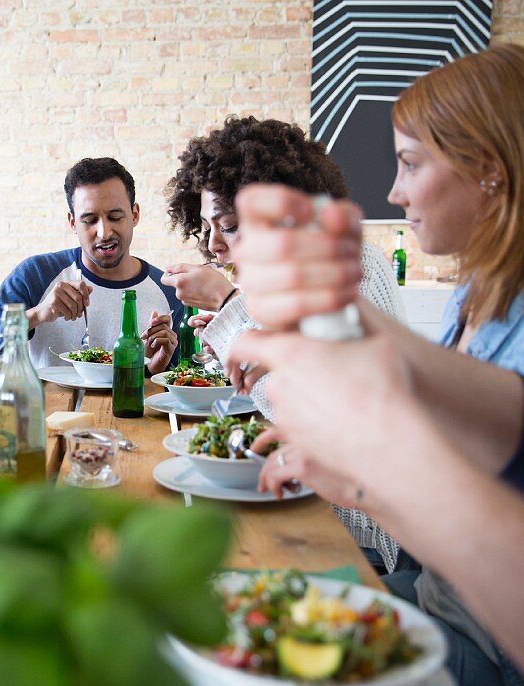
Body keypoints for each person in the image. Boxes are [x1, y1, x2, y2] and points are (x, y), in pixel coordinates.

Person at [224, 45, 524, 686]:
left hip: (504, 674)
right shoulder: (478, 297)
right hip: (428, 599)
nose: (394, 191)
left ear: (489, 171)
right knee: (237, 602)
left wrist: (366, 468)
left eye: (410, 163)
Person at [226, 327, 524, 686]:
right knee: (235, 617)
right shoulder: (476, 306)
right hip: (429, 598)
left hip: (508, 674)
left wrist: (372, 480)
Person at [161, 116, 407, 574]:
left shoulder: (352, 267)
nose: (213, 245)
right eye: (207, 226)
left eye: (230, 226)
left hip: (355, 536)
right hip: (299, 503)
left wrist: (229, 303)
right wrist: (231, 337)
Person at [0, 157, 182, 374]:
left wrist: (150, 370)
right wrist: (36, 314)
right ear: (73, 223)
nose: (104, 232)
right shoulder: (37, 274)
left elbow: (182, 387)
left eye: (115, 217)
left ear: (134, 215)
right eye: (89, 220)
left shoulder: (169, 291)